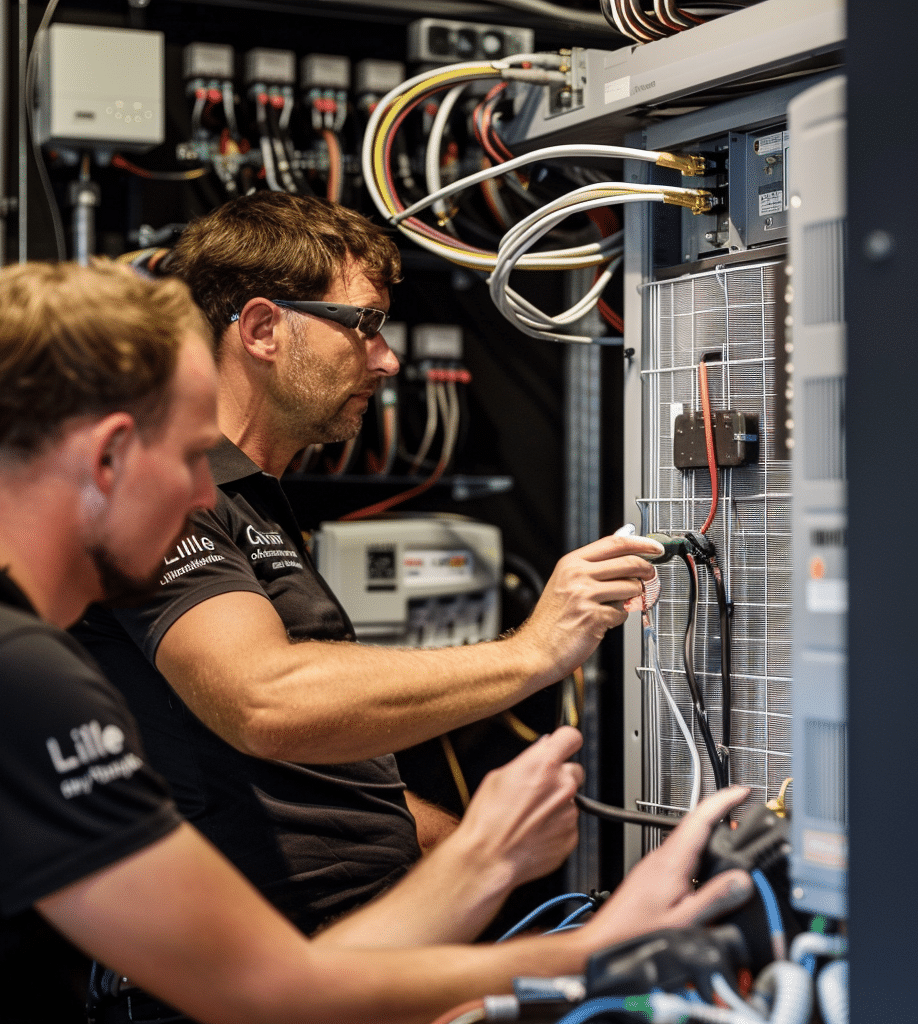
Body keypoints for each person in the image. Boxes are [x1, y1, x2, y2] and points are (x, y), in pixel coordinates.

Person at [0, 257, 755, 1024]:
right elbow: (258, 993)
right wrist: (594, 949)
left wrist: (482, 862)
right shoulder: (2, 675)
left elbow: (269, 979)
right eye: (193, 458)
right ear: (110, 456)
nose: (205, 497)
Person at [73, 192, 666, 945]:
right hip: (260, 973)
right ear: (261, 329)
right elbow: (265, 701)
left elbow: (264, 773)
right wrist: (533, 651)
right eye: (365, 325)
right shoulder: (170, 502)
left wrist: (445, 838)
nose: (387, 359)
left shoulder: (252, 506)